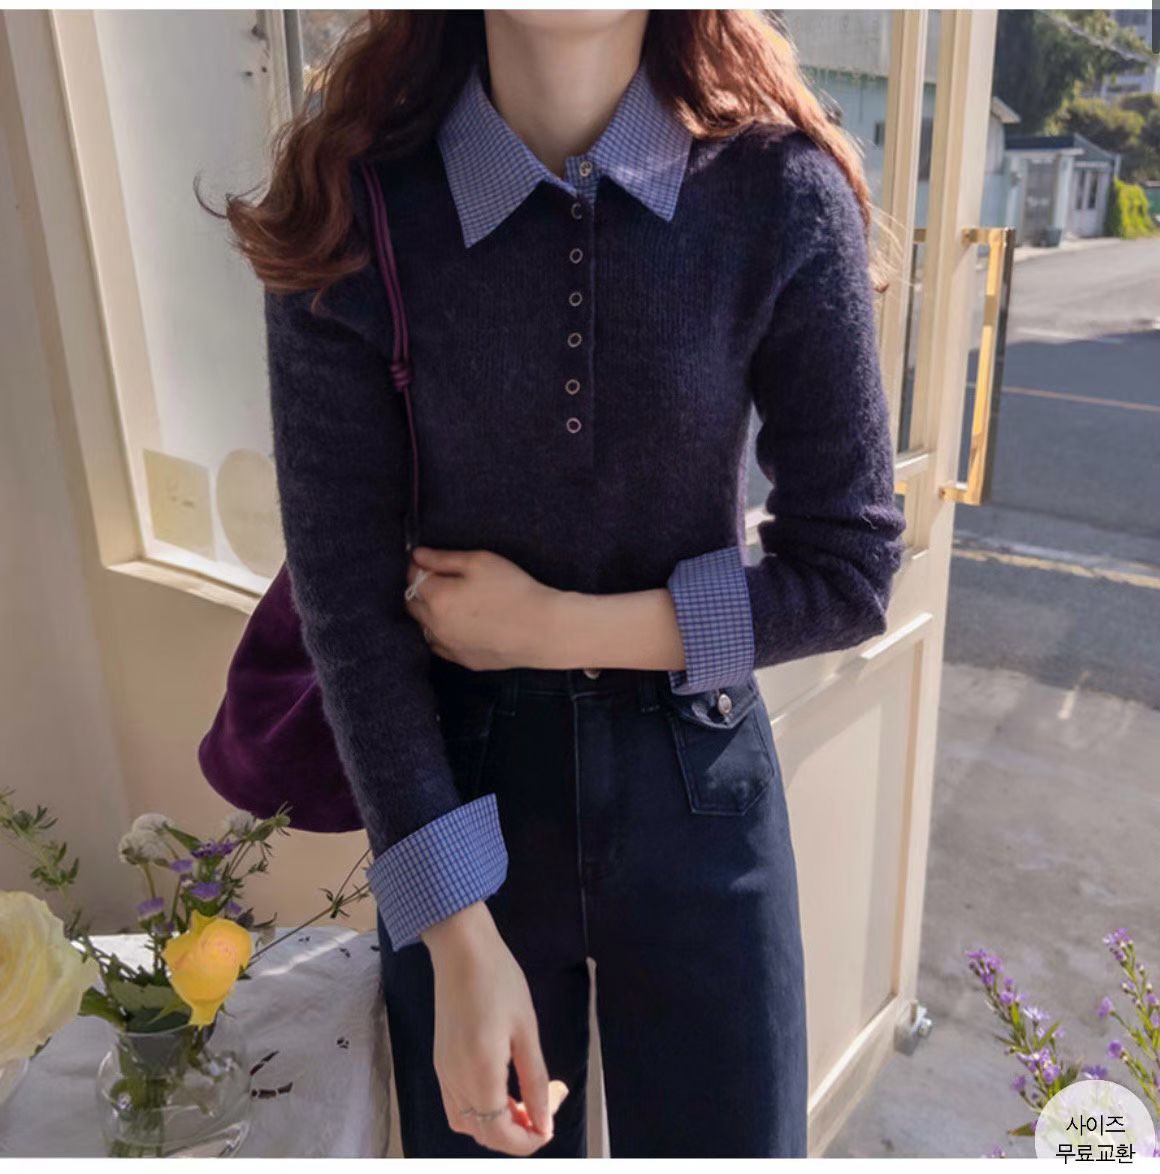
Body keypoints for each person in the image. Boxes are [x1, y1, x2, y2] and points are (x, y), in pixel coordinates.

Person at [221, 9, 905, 1158]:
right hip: (458, 793)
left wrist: (553, 626)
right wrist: (452, 931)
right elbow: (347, 604)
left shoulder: (777, 193)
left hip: (698, 782)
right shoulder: (351, 199)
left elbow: (846, 569)